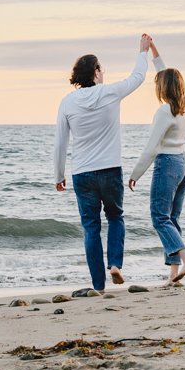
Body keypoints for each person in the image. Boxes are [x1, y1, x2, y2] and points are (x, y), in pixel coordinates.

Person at [54, 33, 165, 291]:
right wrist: (142, 51)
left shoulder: (67, 102)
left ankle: (98, 286)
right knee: (115, 217)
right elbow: (137, 77)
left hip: (82, 173)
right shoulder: (110, 93)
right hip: (110, 170)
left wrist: (58, 175)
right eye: (100, 68)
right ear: (95, 72)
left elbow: (60, 141)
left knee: (91, 227)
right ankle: (115, 264)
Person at [128, 39, 185, 284]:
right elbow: (165, 75)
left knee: (160, 218)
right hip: (183, 164)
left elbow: (151, 148)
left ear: (163, 88)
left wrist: (135, 174)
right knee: (172, 219)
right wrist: (153, 52)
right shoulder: (183, 105)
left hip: (168, 165)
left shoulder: (164, 111)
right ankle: (174, 272)